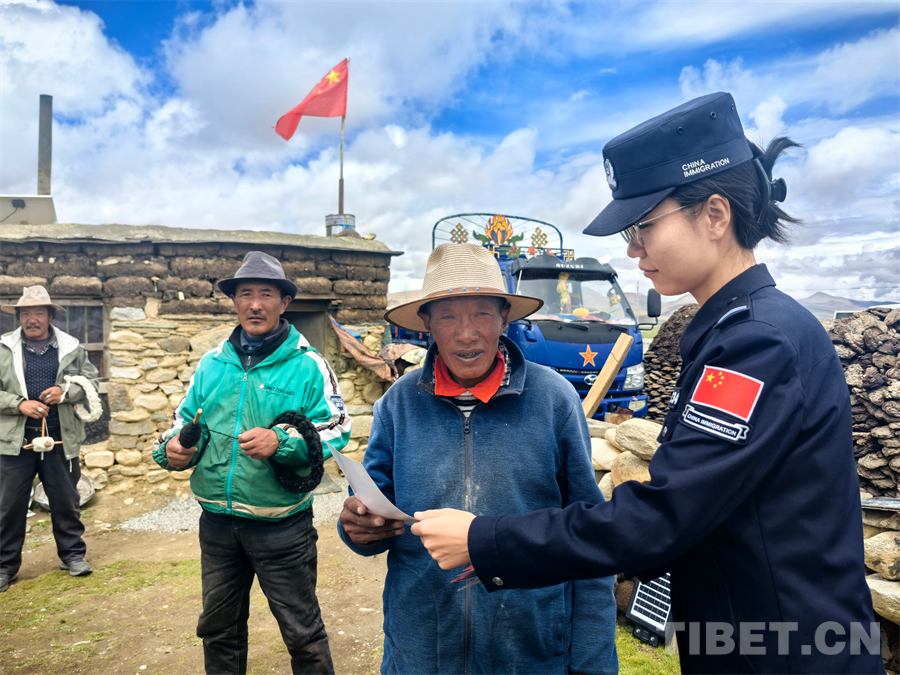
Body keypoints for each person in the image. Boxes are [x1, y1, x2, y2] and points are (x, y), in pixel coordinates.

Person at [412, 92, 884, 674]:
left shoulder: (756, 343)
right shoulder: (733, 330)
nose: (633, 249)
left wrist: (486, 540)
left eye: (643, 226)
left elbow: (665, 516)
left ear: (715, 215)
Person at [338, 243, 618, 675]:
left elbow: (590, 537)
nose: (466, 334)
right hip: (422, 651)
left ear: (505, 318)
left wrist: (591, 663)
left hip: (529, 651)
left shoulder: (554, 400)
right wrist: (357, 527)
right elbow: (372, 507)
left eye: (482, 314)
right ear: (427, 323)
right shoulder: (397, 404)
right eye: (448, 316)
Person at [153, 251, 351, 675]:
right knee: (218, 629)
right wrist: (173, 449)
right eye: (246, 294)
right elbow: (184, 422)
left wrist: (281, 441)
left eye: (266, 294)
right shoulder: (212, 364)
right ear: (235, 301)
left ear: (284, 303)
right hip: (217, 523)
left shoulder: (308, 365)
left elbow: (336, 427)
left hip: (282, 526)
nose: (255, 304)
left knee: (302, 633)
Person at [0, 286, 100, 591]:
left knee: (66, 500)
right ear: (19, 317)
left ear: (50, 316)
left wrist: (65, 392)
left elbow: (91, 382)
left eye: (39, 313)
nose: (32, 319)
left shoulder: (72, 348)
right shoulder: (3, 348)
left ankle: (73, 556)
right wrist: (19, 404)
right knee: (8, 505)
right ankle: (5, 566)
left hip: (59, 438)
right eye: (26, 314)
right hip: (15, 441)